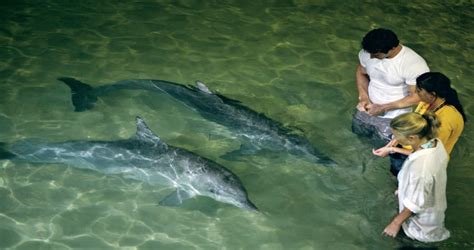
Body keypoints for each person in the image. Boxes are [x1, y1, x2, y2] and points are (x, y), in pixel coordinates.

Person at [373, 72, 466, 175]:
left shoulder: (446, 119)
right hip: (408, 150)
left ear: (433, 94)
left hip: (423, 162)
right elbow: (412, 125)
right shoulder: (427, 102)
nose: (415, 93)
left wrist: (391, 149)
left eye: (419, 91)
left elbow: (427, 152)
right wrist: (394, 142)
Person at [352, 28, 429, 146]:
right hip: (367, 108)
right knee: (357, 136)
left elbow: (417, 97)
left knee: (380, 147)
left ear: (392, 48)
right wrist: (363, 97)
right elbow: (361, 72)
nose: (371, 57)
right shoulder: (368, 52)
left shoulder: (413, 64)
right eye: (369, 53)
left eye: (376, 54)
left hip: (393, 117)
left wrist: (383, 108)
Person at [383, 112, 450, 242]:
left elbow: (415, 204)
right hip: (435, 207)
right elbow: (418, 155)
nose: (394, 137)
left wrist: (395, 223)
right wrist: (393, 149)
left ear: (412, 138)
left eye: (396, 135)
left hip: (421, 227)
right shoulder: (435, 143)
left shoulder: (422, 168)